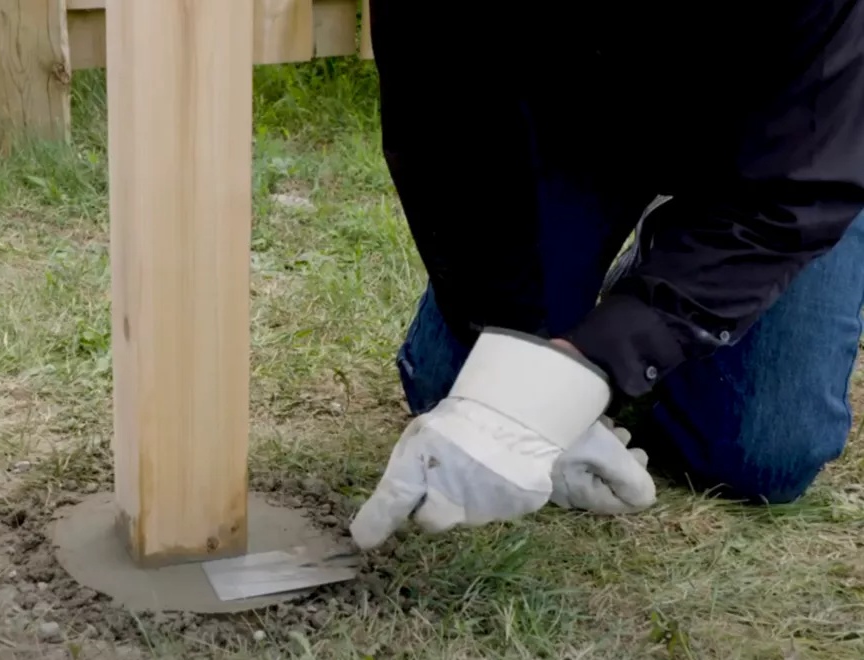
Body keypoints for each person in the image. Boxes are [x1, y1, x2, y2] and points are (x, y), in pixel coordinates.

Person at [348, 1, 864, 549]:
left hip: (783, 150)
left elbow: (802, 188)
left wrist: (604, 354)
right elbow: (444, 131)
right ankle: (649, 281)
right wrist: (526, 386)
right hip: (576, 124)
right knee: (457, 389)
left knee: (762, 453)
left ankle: (665, 267)